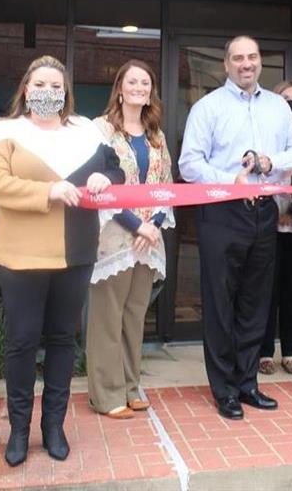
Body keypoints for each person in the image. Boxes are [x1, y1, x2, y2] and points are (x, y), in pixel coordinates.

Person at [0, 55, 125, 467]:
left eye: (55, 86)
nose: (47, 92)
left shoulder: (85, 131)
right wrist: (49, 192)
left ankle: (54, 427)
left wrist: (104, 179)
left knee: (62, 340)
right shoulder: (5, 131)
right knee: (23, 341)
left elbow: (116, 172)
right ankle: (19, 430)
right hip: (20, 252)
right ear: (26, 89)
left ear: (65, 93)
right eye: (39, 85)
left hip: (75, 250)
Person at [179, 35, 292, 420]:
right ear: (226, 64)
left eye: (252, 57)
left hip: (264, 212)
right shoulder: (208, 107)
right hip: (222, 212)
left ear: (260, 63)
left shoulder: (277, 108)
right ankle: (224, 390)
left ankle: (248, 382)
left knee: (256, 303)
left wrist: (271, 162)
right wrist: (225, 180)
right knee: (221, 303)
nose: (246, 64)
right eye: (238, 58)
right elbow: (189, 164)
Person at [86, 59, 174, 419]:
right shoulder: (100, 130)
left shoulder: (157, 134)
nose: (139, 87)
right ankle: (106, 396)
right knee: (107, 317)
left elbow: (165, 184)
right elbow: (98, 184)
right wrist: (134, 225)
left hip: (148, 238)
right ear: (120, 88)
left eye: (145, 83)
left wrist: (152, 223)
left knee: (134, 316)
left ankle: (130, 385)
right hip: (115, 237)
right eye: (132, 82)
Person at [259, 80, 292, 376]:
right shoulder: (267, 131)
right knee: (267, 290)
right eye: (284, 97)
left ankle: (290, 351)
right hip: (266, 223)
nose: (290, 102)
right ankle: (265, 352)